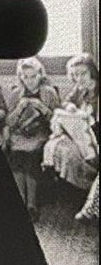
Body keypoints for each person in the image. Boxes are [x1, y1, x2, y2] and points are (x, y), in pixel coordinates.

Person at [3, 56, 59, 217]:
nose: (29, 81)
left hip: (41, 133)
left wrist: (42, 107)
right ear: (20, 77)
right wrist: (19, 109)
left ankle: (32, 204)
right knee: (17, 155)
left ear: (40, 75)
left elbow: (56, 121)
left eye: (33, 76)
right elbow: (9, 122)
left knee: (32, 156)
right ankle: (20, 200)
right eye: (25, 77)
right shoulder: (15, 93)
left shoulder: (49, 92)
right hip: (20, 134)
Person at [43, 53, 99, 192]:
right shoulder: (79, 89)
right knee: (58, 146)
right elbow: (65, 102)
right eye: (75, 75)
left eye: (83, 74)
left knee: (71, 152)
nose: (79, 78)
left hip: (94, 134)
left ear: (91, 72)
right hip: (80, 134)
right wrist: (69, 106)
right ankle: (73, 189)